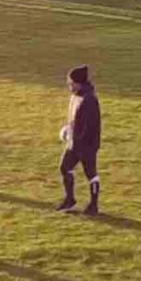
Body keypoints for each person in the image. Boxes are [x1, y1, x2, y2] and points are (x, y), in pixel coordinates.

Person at [56, 64, 101, 215]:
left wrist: (74, 136)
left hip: (86, 145)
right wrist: (69, 130)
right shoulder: (75, 96)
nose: (69, 85)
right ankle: (70, 199)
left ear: (78, 83)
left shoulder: (89, 100)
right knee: (64, 167)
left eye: (70, 83)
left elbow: (90, 127)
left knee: (91, 174)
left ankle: (93, 206)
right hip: (75, 143)